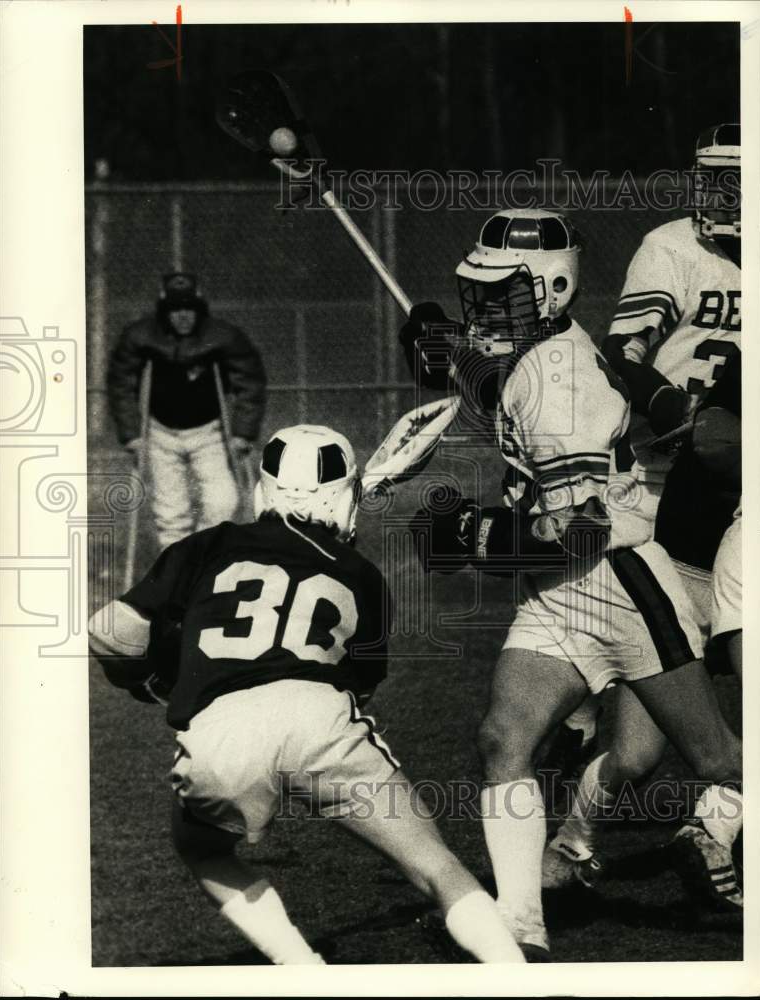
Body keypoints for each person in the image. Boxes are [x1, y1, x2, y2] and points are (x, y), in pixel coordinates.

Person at [405, 208, 742, 958]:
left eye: (500, 296)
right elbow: (487, 377)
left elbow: (581, 528)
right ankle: (519, 928)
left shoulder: (564, 388)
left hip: (618, 584)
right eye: (477, 294)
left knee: (720, 761)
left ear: (552, 292)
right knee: (503, 738)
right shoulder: (531, 345)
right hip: (557, 590)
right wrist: (438, 351)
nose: (482, 311)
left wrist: (474, 537)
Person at [88, 424, 525, 966]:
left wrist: (153, 679)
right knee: (434, 865)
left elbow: (110, 631)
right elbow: (360, 685)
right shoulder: (361, 574)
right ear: (344, 496)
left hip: (222, 727)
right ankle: (513, 970)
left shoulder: (209, 544)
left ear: (263, 490)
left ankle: (300, 967)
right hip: (320, 715)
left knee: (201, 848)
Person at [544, 124, 742, 891]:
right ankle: (571, 830)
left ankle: (713, 823)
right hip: (666, 482)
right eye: (715, 178)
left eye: (739, 179)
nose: (722, 197)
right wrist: (659, 398)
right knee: (636, 746)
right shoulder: (671, 248)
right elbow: (622, 352)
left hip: (737, 484)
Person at [107, 272, 267, 549]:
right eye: (175, 309)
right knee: (171, 513)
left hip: (209, 433)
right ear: (164, 311)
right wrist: (131, 433)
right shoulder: (142, 336)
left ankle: (201, 558)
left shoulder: (222, 336)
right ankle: (176, 573)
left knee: (224, 503)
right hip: (160, 433)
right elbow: (121, 384)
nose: (183, 316)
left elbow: (250, 382)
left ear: (199, 309)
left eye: (189, 309)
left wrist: (243, 433)